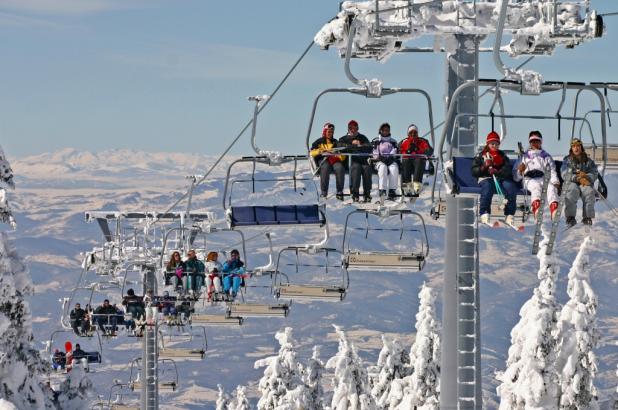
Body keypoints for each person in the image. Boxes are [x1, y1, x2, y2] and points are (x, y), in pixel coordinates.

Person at [471, 131, 518, 225]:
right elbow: (474, 171)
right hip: (486, 178)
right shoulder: (481, 156)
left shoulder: (502, 156)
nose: (494, 146)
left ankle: (509, 214)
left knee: (510, 188)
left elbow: (508, 169)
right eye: (492, 143)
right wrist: (483, 167)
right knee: (488, 188)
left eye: (496, 144)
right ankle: (484, 212)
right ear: (488, 144)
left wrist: (498, 172)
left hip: (500, 178)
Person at [513, 130, 560, 220]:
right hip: (529, 179)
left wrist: (555, 182)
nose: (534, 144)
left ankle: (554, 210)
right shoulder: (524, 157)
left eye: (537, 141)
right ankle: (537, 209)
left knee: (551, 187)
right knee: (535, 187)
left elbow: (552, 170)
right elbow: (515, 177)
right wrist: (520, 171)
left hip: (543, 178)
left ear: (540, 142)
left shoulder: (545, 156)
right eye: (532, 142)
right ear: (530, 143)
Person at [560, 138, 598, 226]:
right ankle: (570, 217)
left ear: (581, 147)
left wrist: (587, 177)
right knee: (572, 191)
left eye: (578, 146)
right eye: (574, 146)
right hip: (572, 182)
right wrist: (577, 178)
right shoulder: (567, 160)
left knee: (589, 191)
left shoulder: (588, 161)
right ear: (571, 148)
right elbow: (564, 173)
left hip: (584, 182)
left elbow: (594, 172)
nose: (576, 148)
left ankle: (587, 217)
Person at [338, 120, 373, 202]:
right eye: (351, 128)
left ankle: (367, 193)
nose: (353, 130)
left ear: (357, 128)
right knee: (356, 168)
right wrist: (352, 144)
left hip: (362, 160)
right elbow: (341, 147)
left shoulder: (362, 137)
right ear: (348, 129)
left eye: (355, 128)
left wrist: (360, 145)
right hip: (351, 161)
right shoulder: (343, 139)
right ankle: (355, 193)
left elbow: (369, 147)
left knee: (367, 168)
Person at [310, 122, 346, 200]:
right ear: (325, 131)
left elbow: (343, 157)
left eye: (332, 132)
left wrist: (338, 154)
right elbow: (312, 152)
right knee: (325, 168)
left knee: (340, 168)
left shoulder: (336, 142)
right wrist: (320, 151)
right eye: (329, 132)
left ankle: (339, 192)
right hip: (323, 159)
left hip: (333, 159)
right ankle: (324, 192)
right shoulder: (319, 142)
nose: (330, 133)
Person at [398, 124, 434, 196]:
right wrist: (407, 151)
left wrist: (418, 150)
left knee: (419, 160)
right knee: (406, 160)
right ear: (408, 134)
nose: (413, 134)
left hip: (418, 163)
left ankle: (416, 186)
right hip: (407, 163)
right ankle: (407, 187)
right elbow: (399, 151)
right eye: (411, 132)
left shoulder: (422, 141)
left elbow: (429, 151)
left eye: (415, 132)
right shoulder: (404, 142)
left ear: (417, 133)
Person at [371, 122, 399, 200]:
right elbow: (375, 152)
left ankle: (392, 190)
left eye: (387, 130)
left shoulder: (393, 141)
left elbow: (395, 150)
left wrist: (390, 157)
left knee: (394, 168)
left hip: (390, 160)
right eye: (384, 130)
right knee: (383, 168)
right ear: (381, 131)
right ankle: (382, 190)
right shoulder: (376, 141)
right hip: (379, 161)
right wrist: (380, 158)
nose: (386, 131)